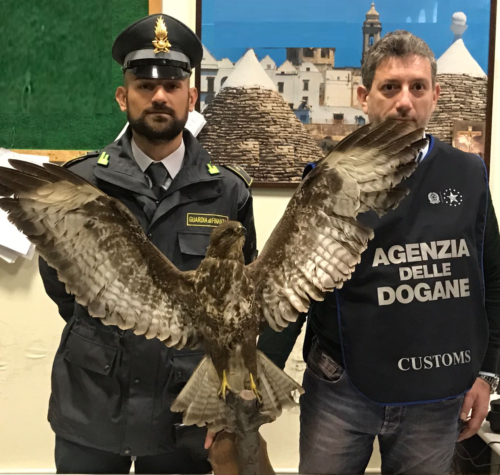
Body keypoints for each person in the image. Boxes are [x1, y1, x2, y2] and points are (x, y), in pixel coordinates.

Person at [258, 30, 500, 474]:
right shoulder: (327, 179)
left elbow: (491, 278)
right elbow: (292, 286)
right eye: (390, 87)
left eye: (417, 87)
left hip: (436, 392)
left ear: (435, 96)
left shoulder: (469, 174)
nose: (404, 101)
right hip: (340, 388)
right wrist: (256, 379)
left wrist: (488, 373)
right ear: (363, 96)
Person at [39, 13, 257, 474]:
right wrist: (117, 324)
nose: (159, 96)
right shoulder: (81, 183)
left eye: (172, 85)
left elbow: (239, 302)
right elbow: (62, 284)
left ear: (191, 97)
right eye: (144, 85)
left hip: (185, 408)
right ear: (124, 97)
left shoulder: (228, 192)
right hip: (95, 402)